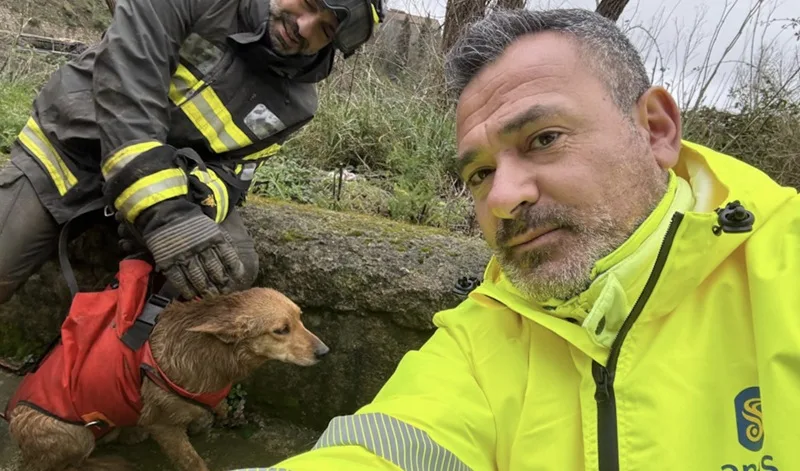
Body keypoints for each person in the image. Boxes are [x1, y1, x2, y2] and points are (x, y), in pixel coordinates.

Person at [240, 7, 800, 471]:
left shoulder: (784, 269)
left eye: (544, 138)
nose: (503, 198)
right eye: (479, 173)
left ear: (655, 129)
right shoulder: (484, 334)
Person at [0, 0, 385, 303]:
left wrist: (194, 205)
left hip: (163, 188)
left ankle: (127, 383)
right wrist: (164, 210)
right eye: (309, 2)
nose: (304, 27)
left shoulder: (298, 104)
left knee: (229, 271)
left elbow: (234, 175)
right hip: (67, 158)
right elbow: (127, 91)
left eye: (325, 29)